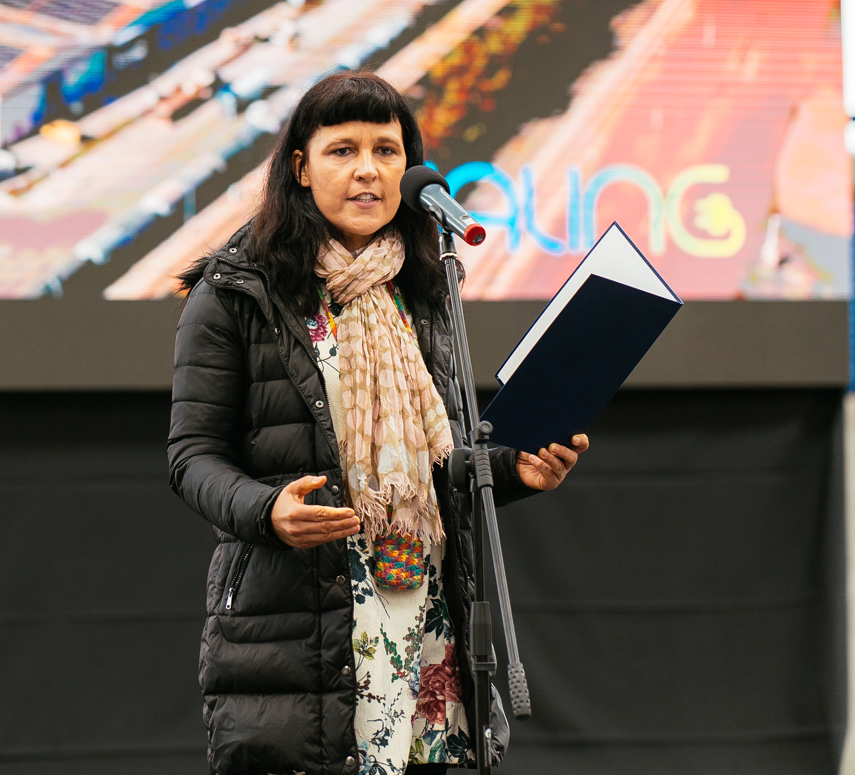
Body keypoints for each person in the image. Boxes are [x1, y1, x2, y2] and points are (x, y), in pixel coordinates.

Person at [168, 70, 588, 775]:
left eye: (388, 152)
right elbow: (191, 457)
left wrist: (512, 471)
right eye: (343, 150)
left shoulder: (425, 292)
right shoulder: (236, 291)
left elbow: (438, 464)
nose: (368, 170)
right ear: (299, 168)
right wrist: (267, 510)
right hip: (302, 625)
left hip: (425, 617)